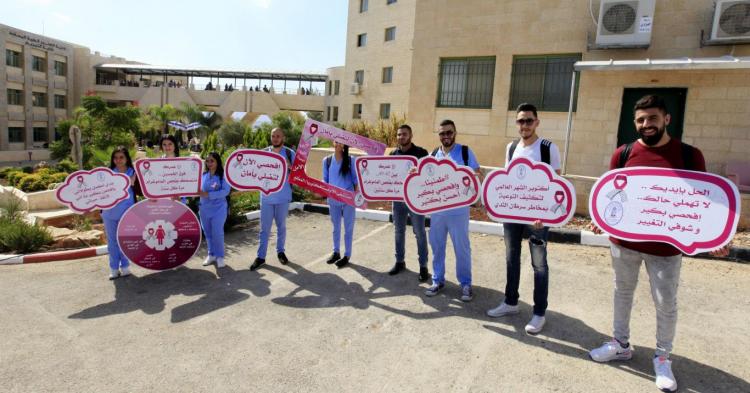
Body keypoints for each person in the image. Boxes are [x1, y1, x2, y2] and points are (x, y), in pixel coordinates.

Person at [588, 95, 729, 393]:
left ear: (666, 119)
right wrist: (602, 218)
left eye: (652, 118)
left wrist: (717, 238)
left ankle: (663, 356)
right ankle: (621, 344)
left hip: (666, 250)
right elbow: (613, 194)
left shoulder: (690, 156)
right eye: (640, 119)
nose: (646, 124)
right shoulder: (623, 154)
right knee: (622, 293)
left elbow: (703, 203)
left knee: (666, 304)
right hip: (623, 244)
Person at [486, 103, 561, 335]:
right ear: (516, 123)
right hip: (512, 216)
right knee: (511, 258)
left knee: (539, 264)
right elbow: (508, 183)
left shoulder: (548, 148)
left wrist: (545, 215)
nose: (524, 125)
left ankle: (539, 313)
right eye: (520, 121)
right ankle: (511, 302)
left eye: (529, 120)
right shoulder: (511, 148)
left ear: (537, 122)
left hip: (538, 219)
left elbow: (556, 184)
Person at [424, 119, 480, 302]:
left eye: (449, 132)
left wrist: (471, 176)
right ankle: (437, 280)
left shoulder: (465, 152)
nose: (445, 136)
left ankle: (465, 283)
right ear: (439, 135)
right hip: (437, 213)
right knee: (437, 247)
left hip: (458, 213)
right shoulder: (433, 154)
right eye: (442, 133)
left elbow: (478, 173)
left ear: (455, 133)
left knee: (462, 248)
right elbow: (424, 179)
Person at [388, 124, 430, 281]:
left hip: (416, 200)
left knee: (419, 233)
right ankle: (400, 262)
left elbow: (428, 175)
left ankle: (423, 266)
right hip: (398, 201)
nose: (401, 137)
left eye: (404, 134)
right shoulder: (393, 154)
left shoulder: (421, 153)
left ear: (411, 136)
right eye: (399, 135)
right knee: (399, 232)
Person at [251, 128, 296, 270]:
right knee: (264, 229)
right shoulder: (263, 153)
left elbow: (298, 174)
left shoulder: (290, 153)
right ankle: (261, 257)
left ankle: (280, 252)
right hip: (266, 198)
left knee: (281, 227)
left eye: (278, 136)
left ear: (283, 137)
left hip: (283, 197)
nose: (275, 138)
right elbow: (255, 172)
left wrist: (290, 167)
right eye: (273, 136)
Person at [102, 146, 137, 280]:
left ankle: (126, 266)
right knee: (112, 242)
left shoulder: (133, 172)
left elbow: (145, 188)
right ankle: (114, 268)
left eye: (121, 157)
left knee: (125, 240)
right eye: (115, 158)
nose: (118, 160)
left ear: (127, 158)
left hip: (127, 212)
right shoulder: (108, 174)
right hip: (109, 213)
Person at [322, 141, 358, 268]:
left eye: (341, 142)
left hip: (348, 200)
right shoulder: (326, 160)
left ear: (344, 144)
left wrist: (356, 197)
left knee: (348, 228)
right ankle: (336, 252)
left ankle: (347, 255)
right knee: (335, 227)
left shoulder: (350, 160)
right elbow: (324, 180)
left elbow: (355, 180)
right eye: (336, 141)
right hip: (333, 199)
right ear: (333, 142)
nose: (338, 144)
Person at [199, 152, 232, 268]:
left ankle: (220, 256)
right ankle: (211, 254)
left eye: (212, 161)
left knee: (217, 233)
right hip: (204, 209)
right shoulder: (203, 175)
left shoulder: (223, 176)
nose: (209, 163)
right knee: (207, 233)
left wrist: (208, 194)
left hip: (219, 209)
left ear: (217, 161)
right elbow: (197, 190)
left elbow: (225, 191)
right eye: (207, 161)